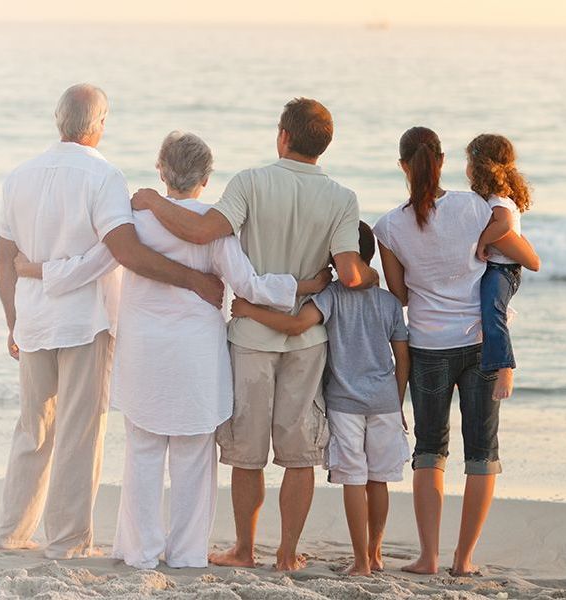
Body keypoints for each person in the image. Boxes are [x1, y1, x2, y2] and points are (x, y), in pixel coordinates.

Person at [14, 131, 332, 569]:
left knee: (142, 454)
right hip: (196, 355)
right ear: (206, 177)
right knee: (193, 459)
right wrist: (304, 285)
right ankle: (185, 554)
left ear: (161, 171)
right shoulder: (215, 229)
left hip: (144, 351)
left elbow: (90, 266)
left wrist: (35, 271)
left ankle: (140, 552)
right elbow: (251, 287)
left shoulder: (135, 221)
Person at [131, 98, 378, 570]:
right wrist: (370, 279)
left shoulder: (250, 182)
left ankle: (244, 549)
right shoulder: (343, 198)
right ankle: (286, 554)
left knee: (248, 451)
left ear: (282, 136)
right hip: (307, 340)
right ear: (324, 145)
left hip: (249, 336)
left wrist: (151, 200)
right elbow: (348, 272)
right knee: (299, 450)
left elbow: (205, 232)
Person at [0, 84, 224, 559]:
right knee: (80, 430)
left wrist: (12, 320)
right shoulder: (104, 177)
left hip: (34, 320)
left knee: (32, 429)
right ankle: (67, 541)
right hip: (84, 320)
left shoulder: (19, 176)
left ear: (60, 121)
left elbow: (3, 258)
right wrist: (193, 280)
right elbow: (124, 251)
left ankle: (12, 533)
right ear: (97, 125)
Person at [373, 126, 539, 576]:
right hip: (480, 342)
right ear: (442, 161)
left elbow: (400, 294)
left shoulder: (388, 226)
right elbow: (515, 251)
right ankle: (463, 561)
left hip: (428, 344)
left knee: (430, 450)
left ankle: (428, 558)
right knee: (482, 452)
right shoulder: (473, 205)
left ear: (404, 166)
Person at [229, 221, 411, 577]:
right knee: (379, 480)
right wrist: (399, 399)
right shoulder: (390, 302)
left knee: (354, 480)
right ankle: (375, 556)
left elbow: (297, 325)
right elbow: (402, 357)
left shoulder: (330, 297)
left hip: (345, 403)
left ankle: (360, 563)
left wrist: (250, 311)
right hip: (386, 403)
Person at [468, 134, 541, 400]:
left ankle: (505, 366)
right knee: (481, 311)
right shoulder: (492, 197)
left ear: (479, 167)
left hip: (503, 269)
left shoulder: (498, 200)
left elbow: (505, 225)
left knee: (491, 311)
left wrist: (482, 242)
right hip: (498, 267)